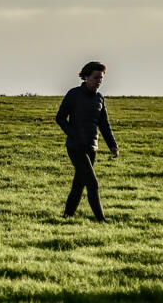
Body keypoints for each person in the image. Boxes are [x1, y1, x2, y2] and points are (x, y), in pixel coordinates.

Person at [55, 61, 118, 222]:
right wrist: (73, 134)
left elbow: (104, 124)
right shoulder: (74, 94)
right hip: (75, 147)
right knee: (92, 183)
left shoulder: (99, 99)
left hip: (92, 147)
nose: (99, 81)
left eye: (101, 78)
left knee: (79, 184)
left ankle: (67, 216)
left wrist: (112, 145)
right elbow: (60, 118)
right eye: (96, 77)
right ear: (86, 77)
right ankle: (101, 220)